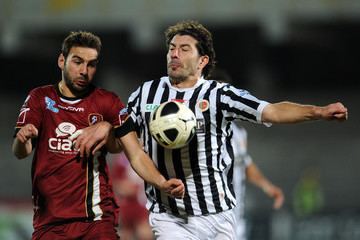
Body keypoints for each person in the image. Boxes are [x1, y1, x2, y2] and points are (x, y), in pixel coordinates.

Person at [73, 20, 348, 240]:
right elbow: (123, 142)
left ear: (202, 60)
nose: (174, 54)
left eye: (184, 48)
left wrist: (318, 112)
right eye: (171, 48)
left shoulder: (220, 96)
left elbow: (272, 111)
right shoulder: (146, 94)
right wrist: (106, 130)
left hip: (219, 214)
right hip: (170, 216)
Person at [12, 31, 184, 240]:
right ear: (61, 61)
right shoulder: (40, 98)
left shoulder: (107, 102)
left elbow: (134, 153)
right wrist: (22, 139)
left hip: (95, 220)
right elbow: (21, 152)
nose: (84, 71)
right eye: (77, 62)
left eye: (91, 64)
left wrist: (161, 182)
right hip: (50, 222)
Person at [231, 124, 284, 240]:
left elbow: (245, 163)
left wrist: (267, 187)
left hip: (235, 219)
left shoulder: (239, 131)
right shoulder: (210, 129)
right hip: (213, 218)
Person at [111, 152, 153, 240]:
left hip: (141, 205)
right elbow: (116, 183)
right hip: (126, 206)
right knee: (126, 233)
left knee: (145, 234)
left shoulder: (146, 157)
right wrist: (125, 188)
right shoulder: (122, 160)